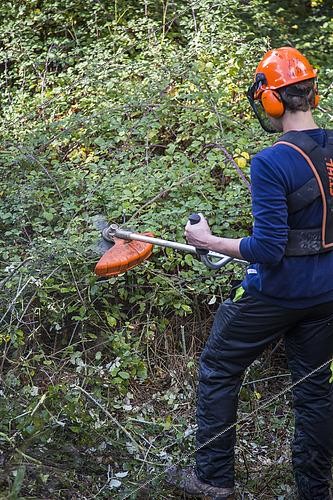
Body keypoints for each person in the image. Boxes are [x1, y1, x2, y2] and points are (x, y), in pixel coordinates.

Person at [166, 47, 333, 500]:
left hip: (277, 293)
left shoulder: (270, 161)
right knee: (314, 389)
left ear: (272, 101)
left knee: (219, 366)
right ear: (312, 94)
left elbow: (268, 250)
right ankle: (315, 492)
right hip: (327, 293)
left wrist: (210, 242)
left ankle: (213, 480)